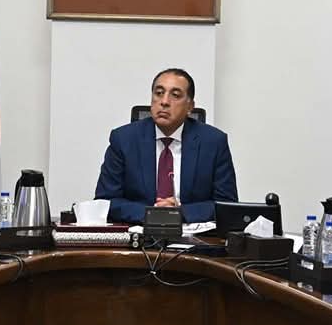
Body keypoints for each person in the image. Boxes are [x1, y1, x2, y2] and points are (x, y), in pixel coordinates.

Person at [94, 67, 238, 224]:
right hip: (139, 230)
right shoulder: (123, 139)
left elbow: (227, 205)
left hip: (192, 233)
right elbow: (105, 201)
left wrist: (180, 212)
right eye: (159, 93)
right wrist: (153, 213)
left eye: (175, 95)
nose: (164, 102)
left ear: (190, 106)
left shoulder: (214, 142)